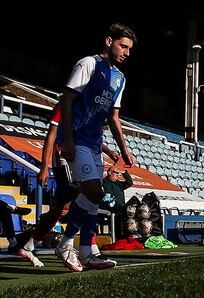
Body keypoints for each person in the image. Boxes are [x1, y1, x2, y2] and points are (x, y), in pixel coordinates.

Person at [56, 23, 137, 271]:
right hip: (76, 136)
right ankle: (65, 243)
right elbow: (67, 99)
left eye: (130, 48)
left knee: (92, 201)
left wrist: (123, 149)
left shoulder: (119, 78)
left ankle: (87, 254)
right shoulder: (88, 64)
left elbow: (113, 117)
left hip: (94, 142)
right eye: (123, 46)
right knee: (93, 192)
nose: (127, 52)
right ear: (108, 41)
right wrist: (67, 138)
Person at [10, 103, 122, 268]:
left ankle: (30, 245)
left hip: (82, 154)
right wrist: (44, 168)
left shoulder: (90, 103)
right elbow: (51, 134)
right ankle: (80, 248)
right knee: (88, 197)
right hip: (65, 158)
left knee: (62, 208)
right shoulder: (67, 103)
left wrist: (108, 151)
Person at [102, 165, 133, 238]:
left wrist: (123, 172)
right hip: (112, 209)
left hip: (121, 208)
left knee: (123, 227)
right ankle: (115, 239)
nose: (117, 175)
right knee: (115, 228)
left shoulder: (118, 183)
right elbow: (108, 194)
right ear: (109, 173)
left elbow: (129, 183)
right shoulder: (105, 181)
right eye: (116, 173)